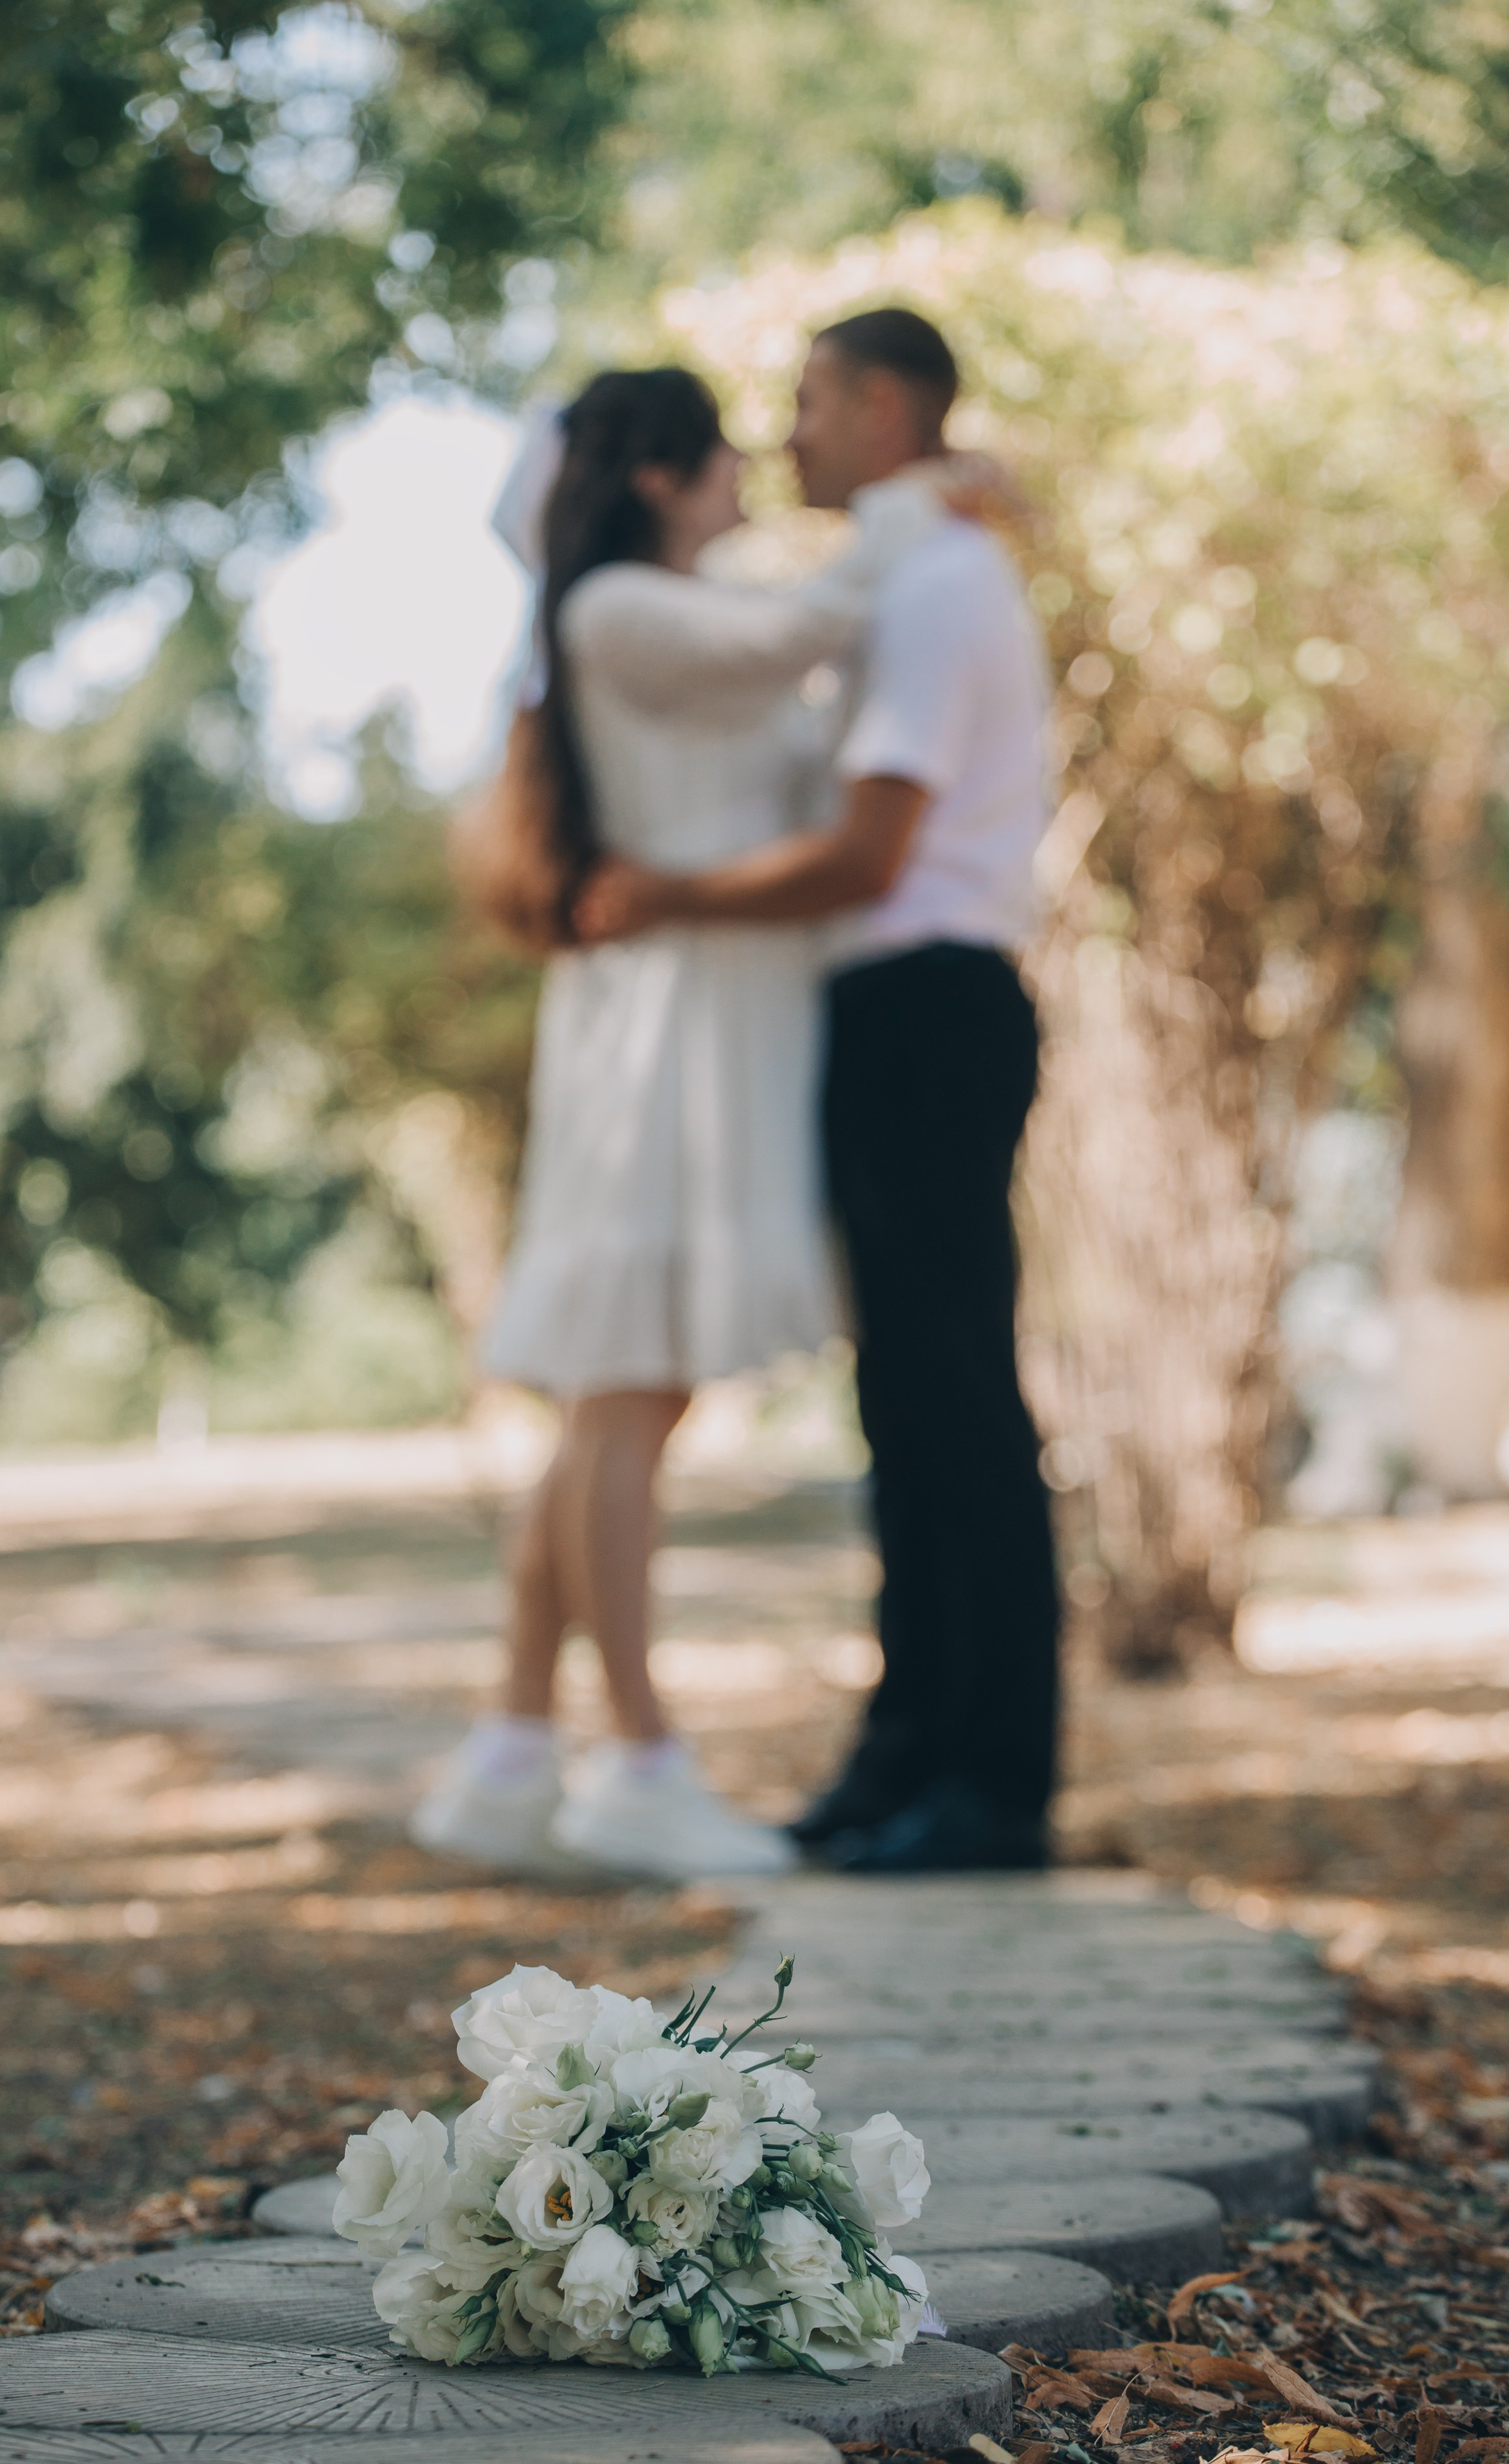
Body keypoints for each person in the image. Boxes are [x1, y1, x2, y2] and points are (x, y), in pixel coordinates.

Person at [411, 365, 996, 1880]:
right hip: (664, 1036)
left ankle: (512, 1748)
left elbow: (792, 661)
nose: (748, 470)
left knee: (619, 1398)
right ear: (659, 478)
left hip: (710, 1020)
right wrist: (917, 503)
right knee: (626, 1390)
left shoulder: (674, 613)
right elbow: (808, 629)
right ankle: (640, 1758)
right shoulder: (618, 609)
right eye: (721, 452)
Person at [578, 309, 1059, 1874]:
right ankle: (905, 1753)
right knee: (902, 1402)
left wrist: (664, 895)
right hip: (883, 1008)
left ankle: (994, 1782)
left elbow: (867, 852)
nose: (787, 433)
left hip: (930, 1000)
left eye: (807, 401)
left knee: (956, 1396)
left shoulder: (936, 583)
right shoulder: (891, 576)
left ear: (884, 407)